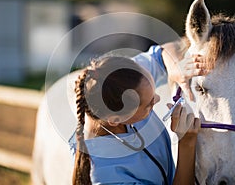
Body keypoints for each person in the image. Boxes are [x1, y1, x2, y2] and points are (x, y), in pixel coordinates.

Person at [69, 42, 207, 185]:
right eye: (148, 105)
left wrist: (175, 67)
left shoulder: (123, 78)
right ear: (116, 119)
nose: (158, 99)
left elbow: (162, 52)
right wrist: (186, 143)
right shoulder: (105, 176)